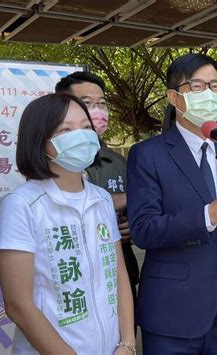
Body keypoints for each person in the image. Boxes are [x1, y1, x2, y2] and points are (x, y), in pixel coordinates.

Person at [127, 53, 217, 354]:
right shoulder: (148, 154)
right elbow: (143, 230)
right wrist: (207, 215)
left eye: (215, 86)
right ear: (173, 97)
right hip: (172, 313)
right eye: (196, 86)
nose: (208, 93)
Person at [0, 93, 135, 355]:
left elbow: (119, 276)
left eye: (86, 127)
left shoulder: (101, 199)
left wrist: (127, 343)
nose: (80, 136)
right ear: (40, 141)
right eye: (65, 130)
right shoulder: (22, 204)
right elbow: (18, 305)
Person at [55, 72, 140, 315]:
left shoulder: (118, 162)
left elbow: (139, 214)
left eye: (101, 103)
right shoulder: (51, 159)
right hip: (70, 283)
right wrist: (126, 199)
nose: (97, 110)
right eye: (87, 103)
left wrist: (136, 221)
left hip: (118, 277)